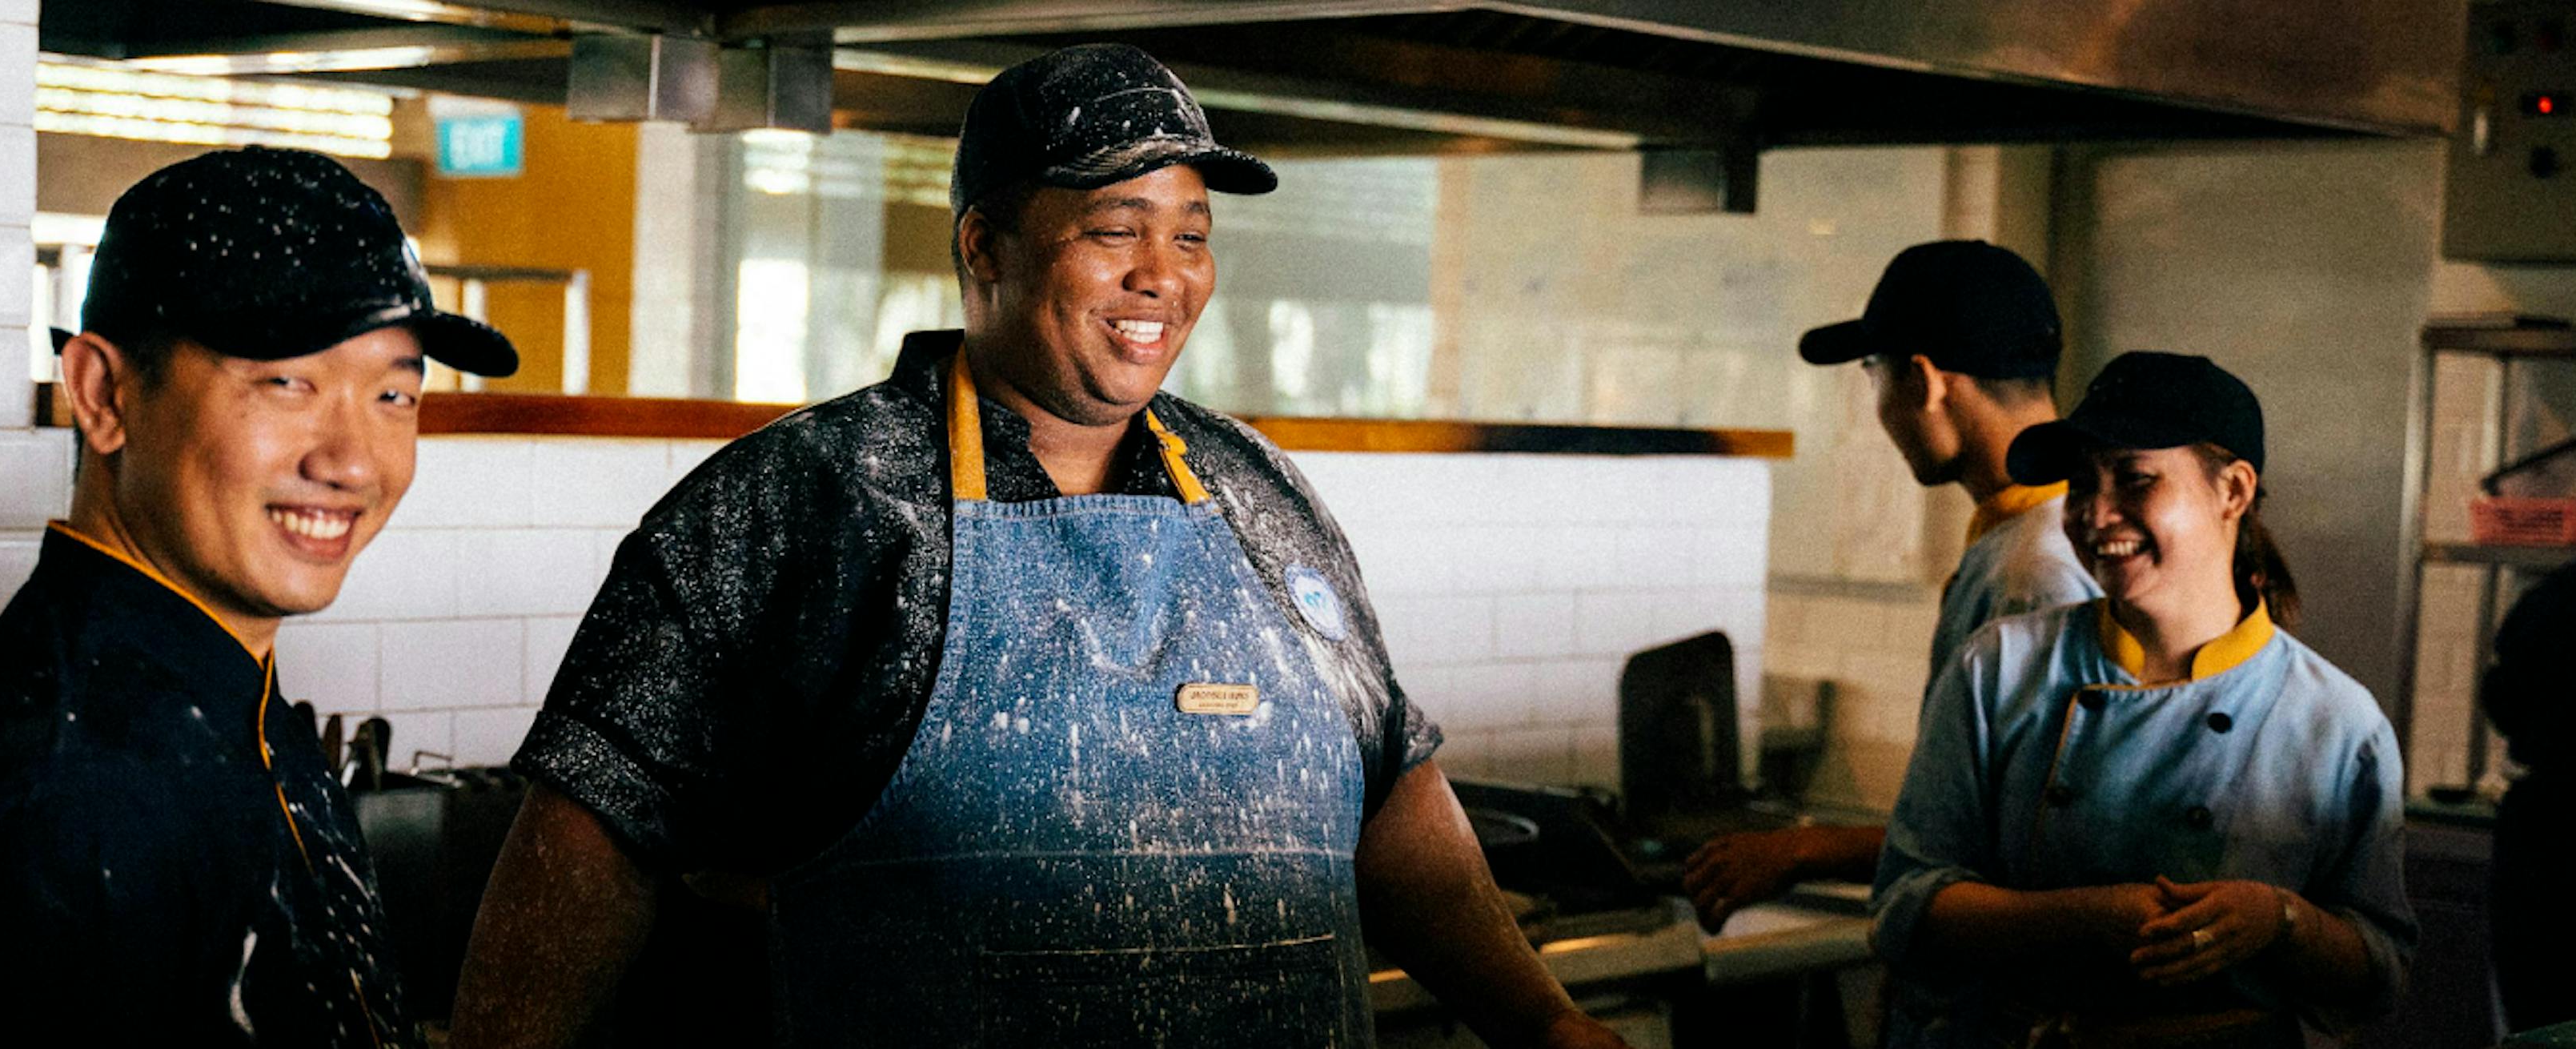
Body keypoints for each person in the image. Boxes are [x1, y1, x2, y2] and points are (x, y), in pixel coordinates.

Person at [451, 44, 1623, 1049]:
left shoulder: (1263, 495)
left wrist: (1549, 1024)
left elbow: (1393, 795)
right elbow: (592, 832)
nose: (1161, 276)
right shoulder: (797, 505)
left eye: (1192, 235)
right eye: (1115, 230)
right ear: (985, 248)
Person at [0, 147, 518, 1047]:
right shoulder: (60, 799)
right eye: (288, 381)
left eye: (394, 392)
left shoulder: (217, 689)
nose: (355, 459)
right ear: (103, 392)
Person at [1871, 352, 2415, 1049]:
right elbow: (1906, 906)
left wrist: (2279, 920)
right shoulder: (2001, 668)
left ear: (2234, 491)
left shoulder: (2334, 720)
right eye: (2081, 483)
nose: (2096, 515)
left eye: (2134, 479)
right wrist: (2089, 916)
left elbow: (2379, 971)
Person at [1684, 239, 2100, 930]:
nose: (1878, 408)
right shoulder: (2020, 543)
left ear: (1925, 380)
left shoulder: (2040, 575)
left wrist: (1807, 849)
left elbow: (2017, 835)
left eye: (1872, 374)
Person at [2480, 545, 2576, 1031]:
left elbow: (2504, 699)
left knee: (2543, 1026)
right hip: (2554, 848)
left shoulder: (2553, 601)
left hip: (2549, 847)